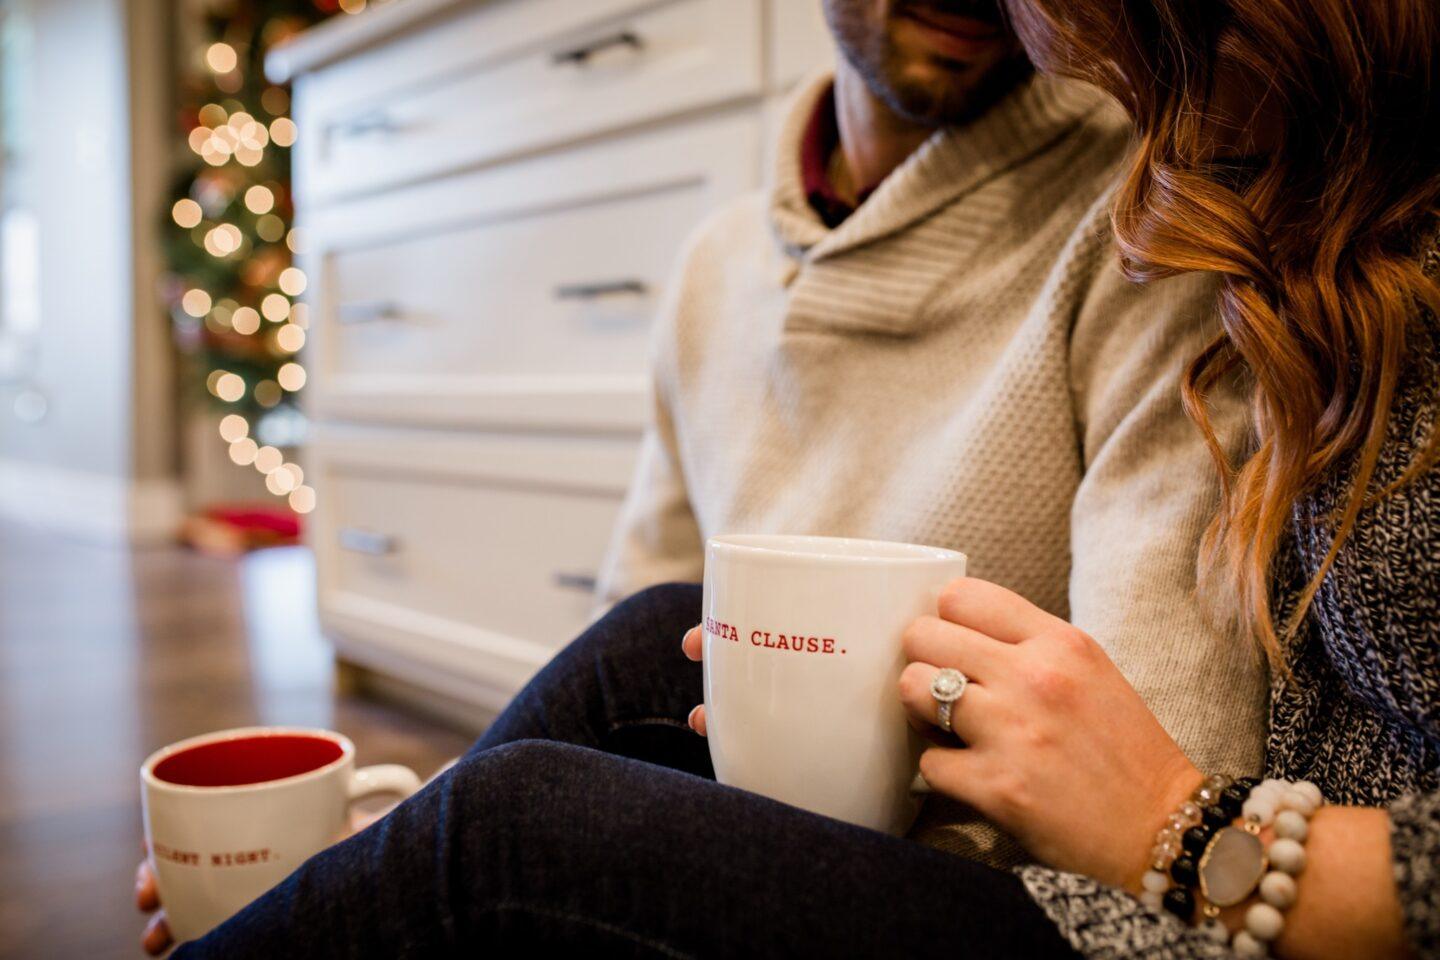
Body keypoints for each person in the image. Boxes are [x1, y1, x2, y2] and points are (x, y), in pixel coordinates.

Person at [132, 0, 1280, 953]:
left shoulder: (1146, 227)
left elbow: (1163, 753)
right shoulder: (718, 265)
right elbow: (626, 669)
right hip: (745, 823)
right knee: (623, 661)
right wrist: (375, 866)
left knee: (500, 836)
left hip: (1031, 896)